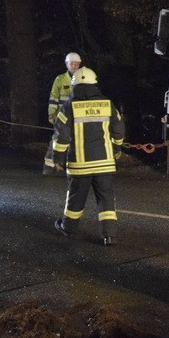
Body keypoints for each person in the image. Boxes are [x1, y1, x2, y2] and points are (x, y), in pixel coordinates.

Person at [51, 66, 125, 246]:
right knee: (106, 199)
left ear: (74, 84)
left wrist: (58, 157)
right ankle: (109, 236)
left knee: (76, 198)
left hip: (79, 165)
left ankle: (68, 228)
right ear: (95, 83)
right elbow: (118, 128)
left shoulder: (69, 106)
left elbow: (62, 136)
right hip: (105, 163)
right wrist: (117, 148)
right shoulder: (107, 103)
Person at [44, 52, 82, 175]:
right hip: (61, 116)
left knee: (76, 141)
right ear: (67, 64)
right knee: (57, 139)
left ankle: (69, 166)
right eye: (72, 63)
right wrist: (51, 114)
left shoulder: (83, 78)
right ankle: (49, 166)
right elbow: (54, 98)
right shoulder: (60, 80)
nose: (74, 66)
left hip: (78, 116)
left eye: (77, 64)